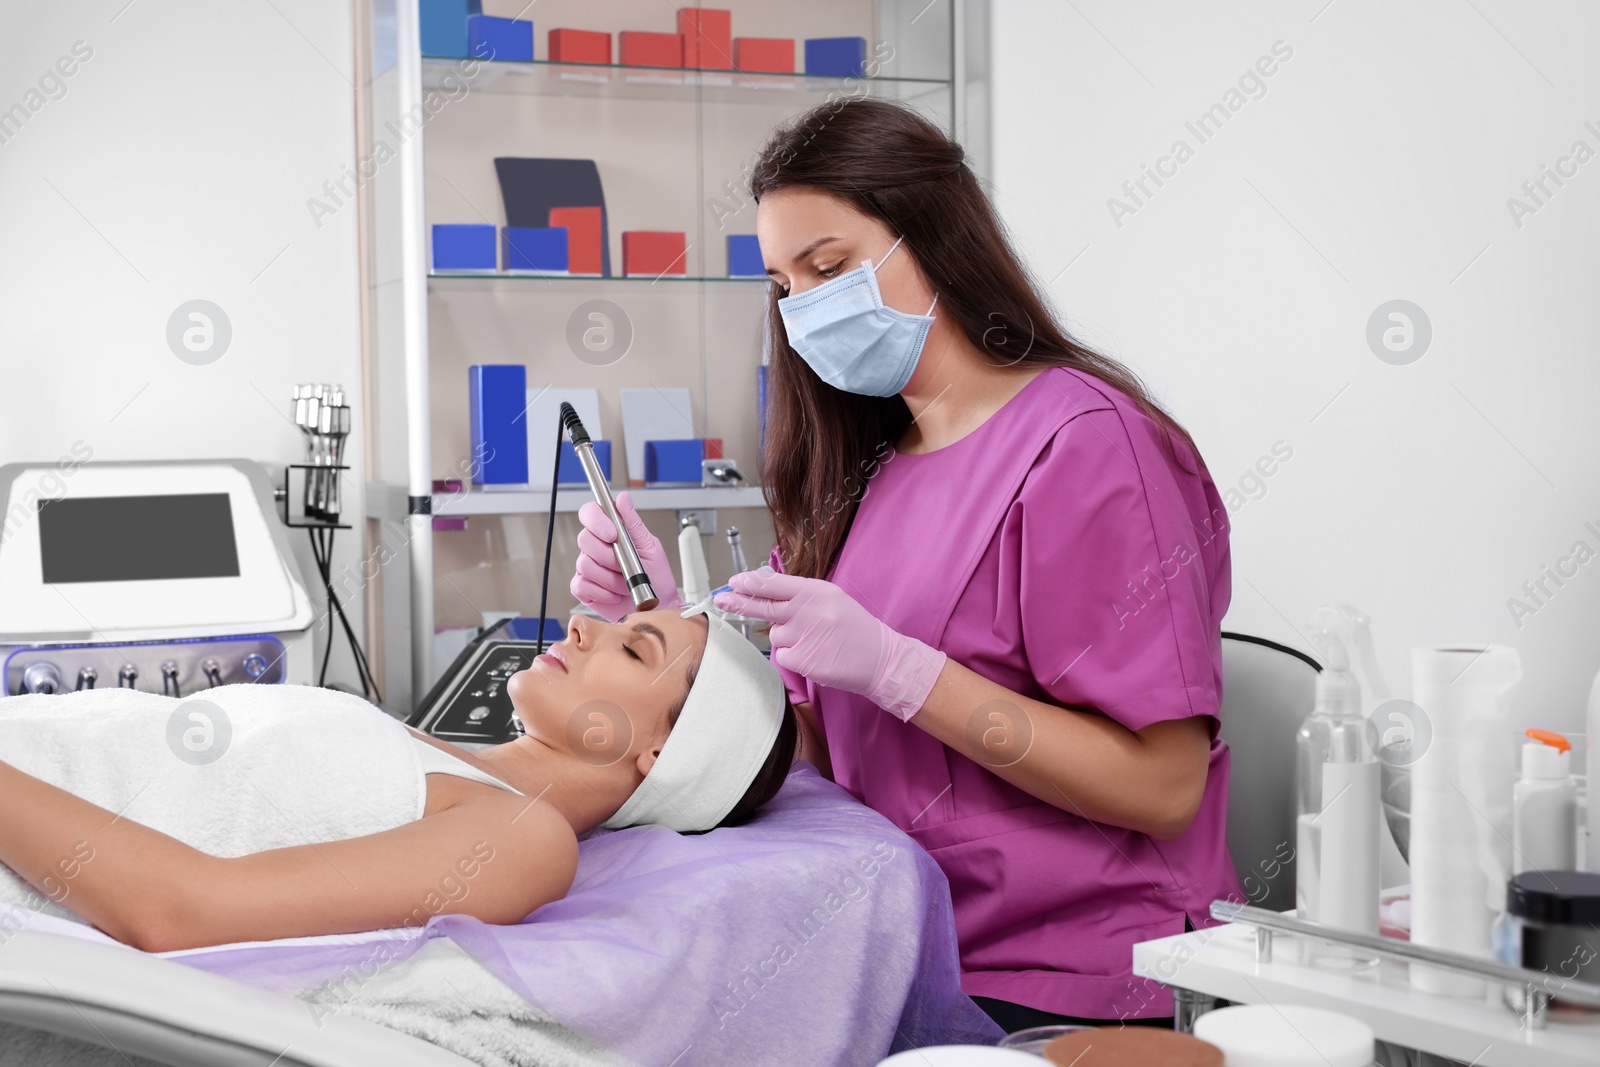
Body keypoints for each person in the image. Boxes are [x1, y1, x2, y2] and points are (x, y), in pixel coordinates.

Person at [572, 98, 1243, 1031]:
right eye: (783, 284)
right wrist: (671, 626)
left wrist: (901, 670)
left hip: (1071, 973)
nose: (805, 308)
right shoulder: (866, 471)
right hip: (898, 938)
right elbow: (810, 748)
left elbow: (1162, 787)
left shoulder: (1087, 447)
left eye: (831, 267)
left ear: (933, 238)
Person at [0, 606, 796, 952]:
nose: (585, 623)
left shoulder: (522, 837)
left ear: (662, 752)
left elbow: (181, 911)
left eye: (632, 649)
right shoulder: (436, 752)